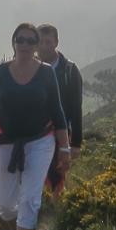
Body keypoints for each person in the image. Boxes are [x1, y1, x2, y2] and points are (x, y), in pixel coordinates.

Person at [0, 21, 72, 230]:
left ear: (36, 46)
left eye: (30, 41)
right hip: (6, 141)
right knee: (5, 204)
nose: (25, 45)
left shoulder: (46, 73)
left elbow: (58, 112)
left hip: (40, 140)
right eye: (20, 40)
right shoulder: (1, 73)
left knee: (30, 198)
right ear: (13, 43)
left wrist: (65, 147)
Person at [36, 24, 85, 196]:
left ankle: (54, 213)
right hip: (34, 132)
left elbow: (76, 107)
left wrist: (76, 143)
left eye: (48, 42)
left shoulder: (69, 70)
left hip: (60, 133)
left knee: (57, 175)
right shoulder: (30, 68)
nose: (43, 47)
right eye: (40, 42)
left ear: (56, 42)